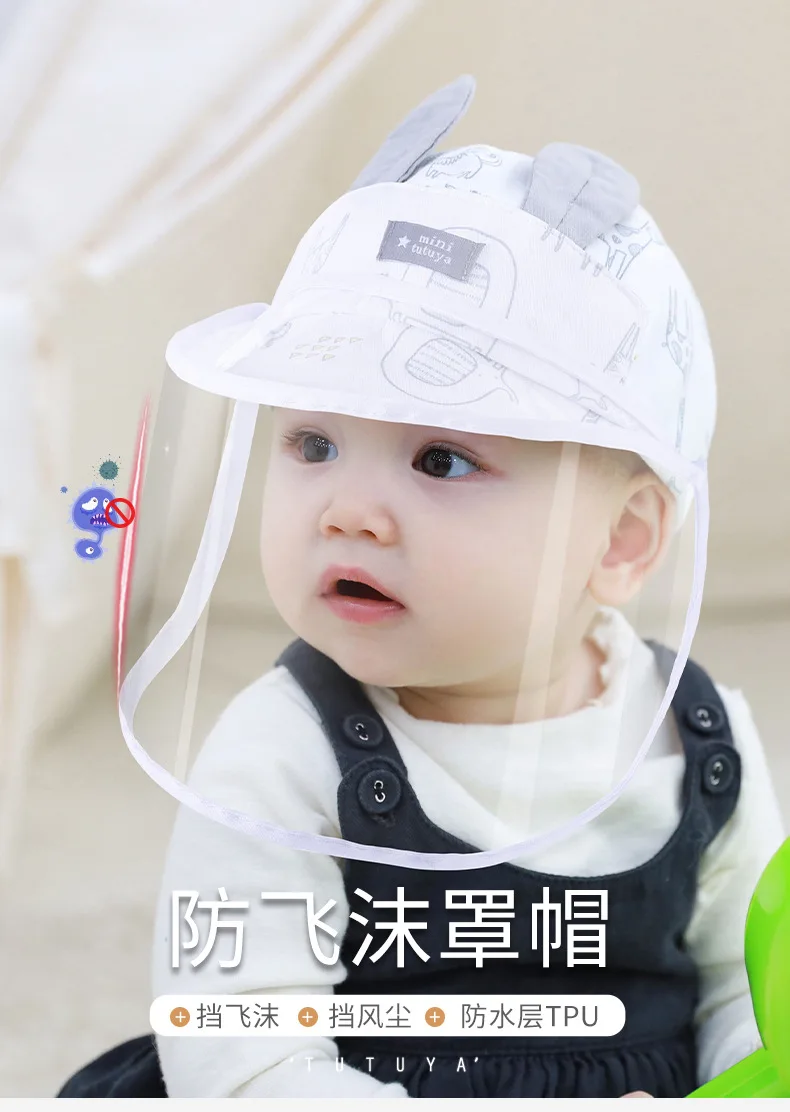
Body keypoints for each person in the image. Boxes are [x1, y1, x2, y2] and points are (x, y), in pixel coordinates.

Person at [57, 81, 784, 1100]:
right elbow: (244, 1057)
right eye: (313, 443)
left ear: (621, 539)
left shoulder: (697, 740)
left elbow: (748, 992)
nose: (348, 511)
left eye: (441, 459)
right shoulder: (279, 755)